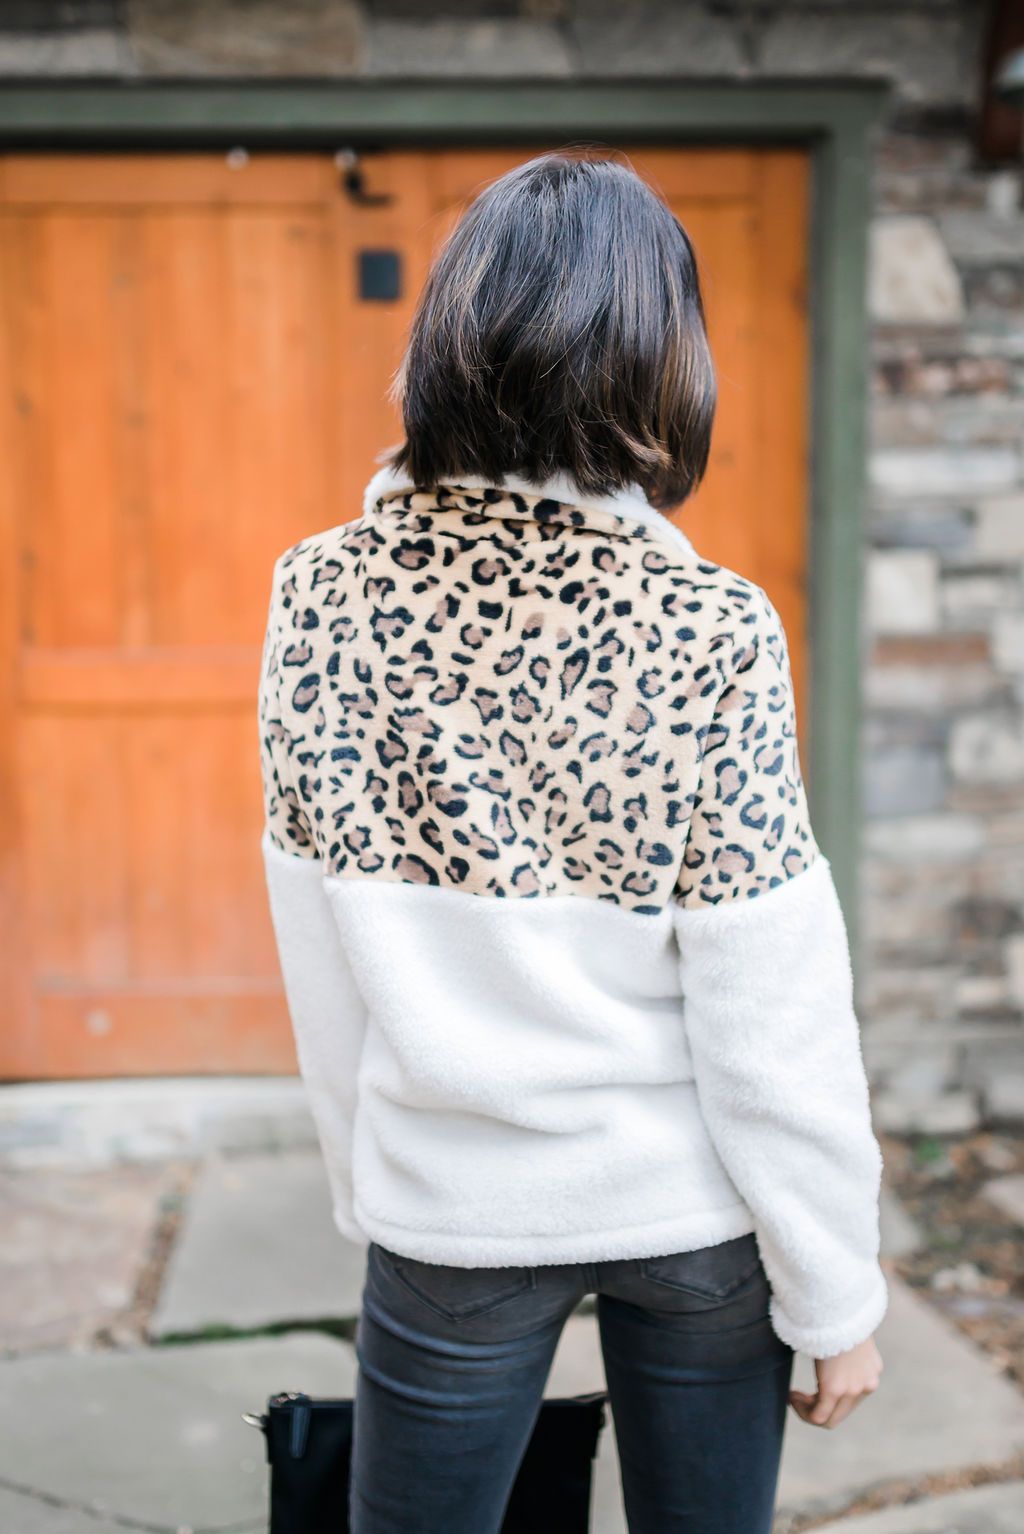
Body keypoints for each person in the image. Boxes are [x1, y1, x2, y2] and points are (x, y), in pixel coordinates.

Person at [257, 150, 886, 1534]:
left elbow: (321, 949)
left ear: (452, 336)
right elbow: (770, 998)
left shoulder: (321, 596)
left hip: (453, 1211)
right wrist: (836, 1289)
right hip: (695, 1212)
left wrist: (374, 1189)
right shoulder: (712, 624)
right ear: (663, 359)